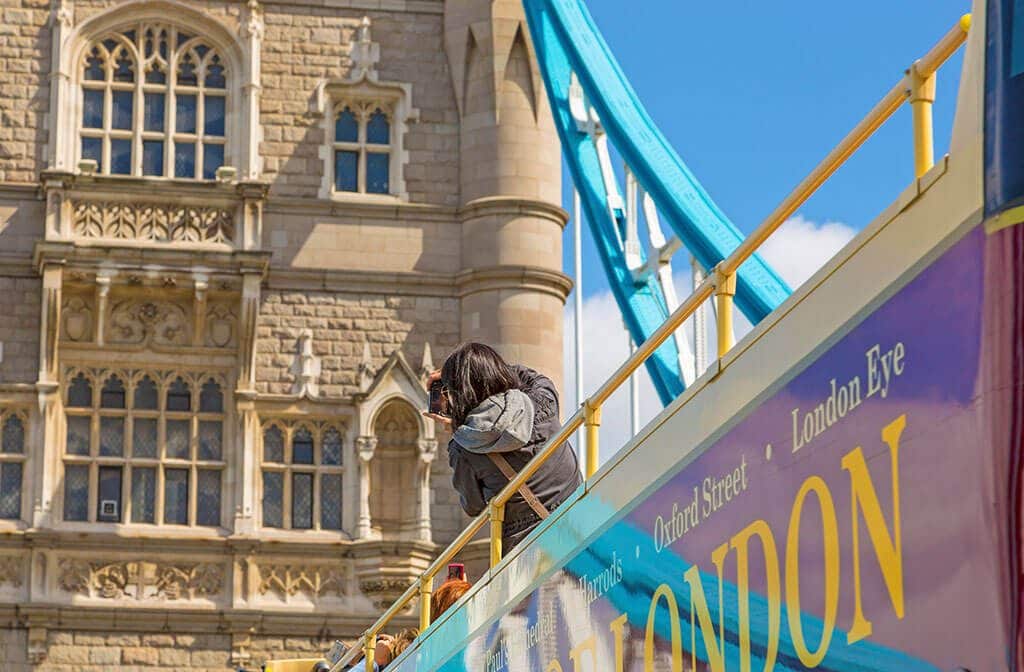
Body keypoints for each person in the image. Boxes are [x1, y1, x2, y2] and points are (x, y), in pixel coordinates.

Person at [427, 342, 582, 554]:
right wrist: (485, 368)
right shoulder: (543, 398)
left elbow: (473, 506)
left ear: (457, 391)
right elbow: (530, 376)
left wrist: (457, 429)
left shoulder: (462, 449)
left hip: (527, 551)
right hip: (580, 520)